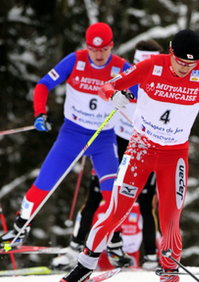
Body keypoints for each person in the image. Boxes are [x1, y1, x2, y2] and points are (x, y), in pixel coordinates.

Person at [56, 29, 199, 282]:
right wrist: (115, 95)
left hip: (174, 155)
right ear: (170, 52)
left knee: (171, 220)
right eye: (180, 63)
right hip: (141, 147)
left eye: (191, 64)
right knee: (117, 209)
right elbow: (106, 87)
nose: (185, 69)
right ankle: (84, 266)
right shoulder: (152, 66)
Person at [1, 23, 131, 248]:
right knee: (44, 182)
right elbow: (43, 85)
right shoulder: (75, 60)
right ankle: (20, 227)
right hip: (73, 134)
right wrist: (40, 113)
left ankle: (115, 241)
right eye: (93, 49)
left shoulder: (121, 67)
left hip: (104, 139)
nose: (98, 55)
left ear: (112, 46)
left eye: (104, 49)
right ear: (87, 46)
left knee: (112, 193)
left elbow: (147, 90)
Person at [52, 39, 164, 272]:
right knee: (96, 198)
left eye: (149, 61)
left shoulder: (162, 84)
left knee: (145, 202)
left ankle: (152, 257)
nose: (142, 65)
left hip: (145, 146)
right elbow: (103, 93)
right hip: (115, 141)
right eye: (139, 60)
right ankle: (75, 249)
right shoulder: (126, 75)